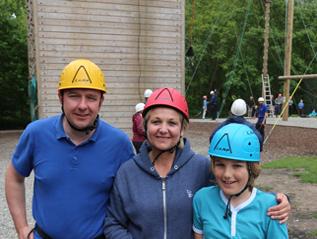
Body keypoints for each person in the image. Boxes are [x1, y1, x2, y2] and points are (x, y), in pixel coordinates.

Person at [104, 88, 290, 239]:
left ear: (182, 129)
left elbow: (239, 186)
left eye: (172, 123)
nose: (163, 129)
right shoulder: (128, 172)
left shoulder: (201, 167)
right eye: (156, 122)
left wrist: (279, 200)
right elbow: (113, 223)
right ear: (145, 126)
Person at [5, 59, 135, 239]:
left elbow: (130, 199)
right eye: (74, 95)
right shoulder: (36, 134)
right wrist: (21, 228)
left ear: (100, 101)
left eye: (91, 97)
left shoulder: (119, 144)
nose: (82, 106)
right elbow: (14, 177)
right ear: (61, 97)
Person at [193, 123, 289, 238]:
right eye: (220, 165)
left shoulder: (272, 208)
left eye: (237, 166)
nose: (227, 174)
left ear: (251, 169)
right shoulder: (202, 199)